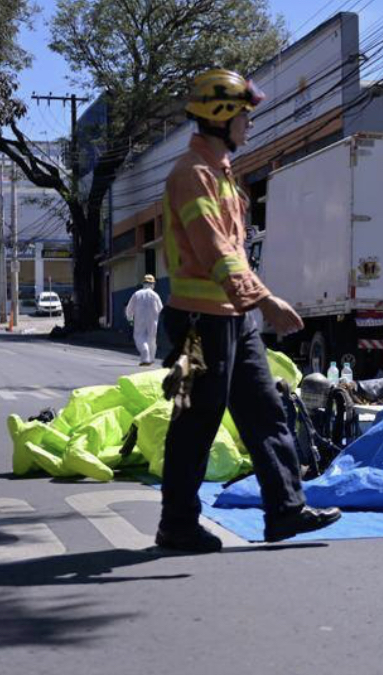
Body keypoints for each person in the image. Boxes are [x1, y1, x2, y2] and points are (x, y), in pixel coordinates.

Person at [155, 68, 340, 553]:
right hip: (199, 323)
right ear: (221, 117)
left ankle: (285, 512)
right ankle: (176, 524)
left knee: (266, 413)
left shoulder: (220, 175)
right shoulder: (192, 176)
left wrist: (252, 303)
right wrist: (264, 298)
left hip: (232, 319)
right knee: (194, 423)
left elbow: (231, 252)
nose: (249, 126)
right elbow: (216, 251)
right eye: (244, 116)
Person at [124, 275, 164, 366]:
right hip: (153, 321)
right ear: (153, 284)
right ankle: (151, 358)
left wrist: (130, 318)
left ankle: (145, 354)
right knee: (152, 339)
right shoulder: (155, 295)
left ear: (144, 283)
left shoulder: (137, 294)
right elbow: (161, 308)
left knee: (139, 336)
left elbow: (129, 308)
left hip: (139, 319)